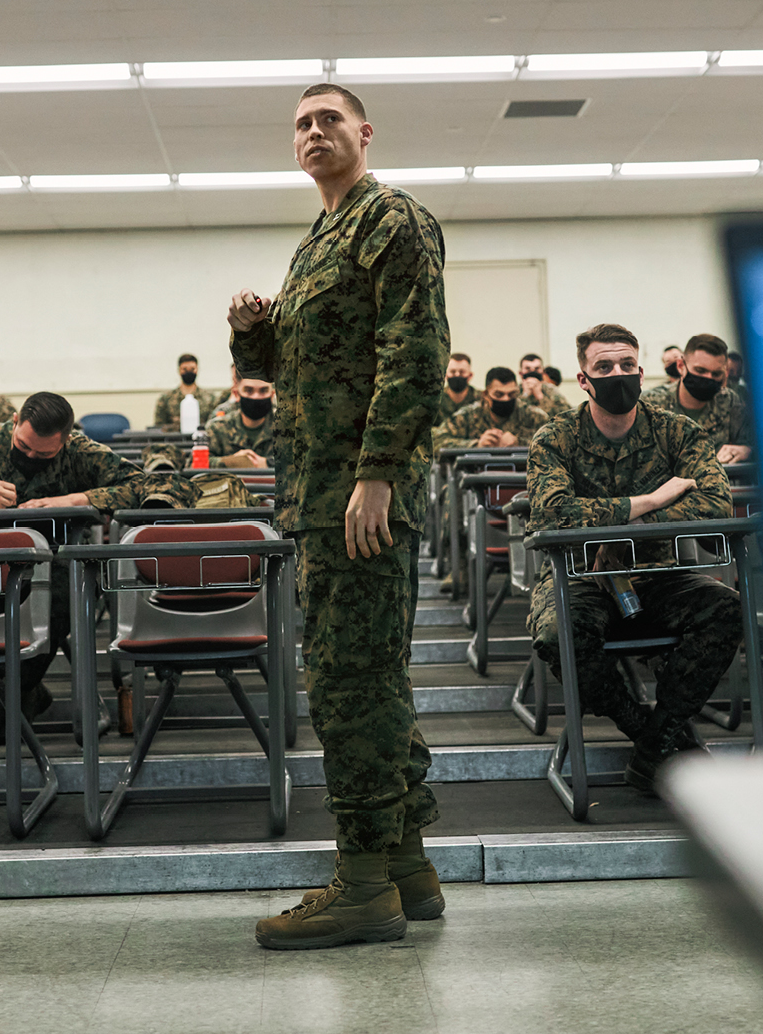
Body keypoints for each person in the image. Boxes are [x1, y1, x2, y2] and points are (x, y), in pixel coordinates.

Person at [229, 81, 448, 950]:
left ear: (364, 133)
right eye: (300, 123)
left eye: (329, 120)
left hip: (358, 496)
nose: (313, 132)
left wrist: (379, 473)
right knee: (365, 678)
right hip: (319, 493)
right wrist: (254, 331)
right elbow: (296, 368)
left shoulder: (389, 219)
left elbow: (416, 349)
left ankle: (360, 884)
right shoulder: (319, 240)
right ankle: (405, 869)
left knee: (351, 684)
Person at [527, 323, 742, 796]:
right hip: (579, 577)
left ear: (642, 373)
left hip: (658, 574)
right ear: (583, 379)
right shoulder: (555, 438)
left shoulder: (676, 431)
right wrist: (646, 502)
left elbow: (714, 503)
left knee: (726, 609)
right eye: (603, 367)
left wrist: (629, 529)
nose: (617, 374)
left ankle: (655, 745)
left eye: (626, 365)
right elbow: (555, 513)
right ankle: (645, 730)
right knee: (557, 633)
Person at [0, 392, 192, 746]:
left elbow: (154, 485)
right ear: (13, 422)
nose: (29, 458)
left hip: (55, 574)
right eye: (23, 446)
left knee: (60, 590)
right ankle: (24, 693)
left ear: (66, 441)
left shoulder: (79, 453)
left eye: (43, 454)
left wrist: (78, 500)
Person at [640, 333, 754, 465]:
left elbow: (757, 445)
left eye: (716, 373)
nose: (708, 378)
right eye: (700, 370)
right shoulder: (651, 403)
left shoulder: (729, 402)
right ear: (681, 366)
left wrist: (746, 451)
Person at [432, 367, 548, 450]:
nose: (505, 399)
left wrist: (520, 443)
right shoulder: (468, 415)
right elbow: (436, 441)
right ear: (486, 395)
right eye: (499, 394)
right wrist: (476, 445)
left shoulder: (533, 416)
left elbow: (557, 445)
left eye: (512, 394)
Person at [201, 377, 277, 468]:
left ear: (272, 394)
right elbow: (195, 464)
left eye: (263, 391)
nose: (256, 396)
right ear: (236, 394)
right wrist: (232, 461)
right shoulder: (217, 427)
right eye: (249, 390)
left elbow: (297, 462)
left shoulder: (286, 428)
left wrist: (268, 463)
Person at [153, 353, 218, 432]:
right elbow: (159, 428)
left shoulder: (210, 398)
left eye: (192, 369)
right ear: (179, 370)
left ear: (197, 369)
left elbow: (214, 425)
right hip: (174, 441)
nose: (189, 372)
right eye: (185, 369)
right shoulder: (166, 399)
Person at [519, 353, 572, 418]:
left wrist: (540, 397)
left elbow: (567, 414)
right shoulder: (513, 391)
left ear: (543, 372)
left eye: (536, 368)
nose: (532, 371)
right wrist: (525, 395)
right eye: (528, 369)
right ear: (520, 373)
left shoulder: (551, 390)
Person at [433, 352, 476, 423]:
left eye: (462, 372)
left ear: (470, 375)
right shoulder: (435, 399)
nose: (457, 375)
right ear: (445, 375)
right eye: (453, 372)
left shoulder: (481, 400)